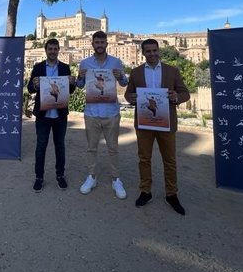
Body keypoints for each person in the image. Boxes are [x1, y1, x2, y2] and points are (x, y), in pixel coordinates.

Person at [125, 39, 190, 215]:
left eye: (155, 50)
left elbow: (185, 93)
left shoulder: (172, 71)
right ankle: (145, 191)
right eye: (148, 51)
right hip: (144, 123)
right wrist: (130, 98)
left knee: (169, 160)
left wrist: (176, 96)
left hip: (166, 122)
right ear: (143, 53)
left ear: (158, 50)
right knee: (144, 159)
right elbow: (128, 93)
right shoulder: (136, 72)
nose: (152, 54)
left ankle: (171, 194)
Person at [76, 31, 129, 199]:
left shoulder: (116, 62)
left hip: (111, 112)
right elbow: (79, 85)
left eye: (102, 42)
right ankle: (91, 177)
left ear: (107, 43)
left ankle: (116, 179)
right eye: (96, 42)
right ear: (92, 44)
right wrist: (79, 77)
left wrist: (121, 76)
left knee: (113, 148)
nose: (99, 45)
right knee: (91, 148)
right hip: (91, 112)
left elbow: (124, 82)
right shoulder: (84, 63)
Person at [27, 38, 76, 192]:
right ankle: (39, 177)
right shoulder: (38, 67)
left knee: (60, 146)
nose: (53, 51)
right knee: (41, 146)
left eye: (55, 49)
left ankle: (60, 175)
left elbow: (71, 90)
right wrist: (34, 84)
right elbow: (30, 88)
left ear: (59, 50)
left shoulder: (65, 68)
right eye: (50, 49)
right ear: (46, 50)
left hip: (60, 115)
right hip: (43, 115)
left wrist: (72, 82)